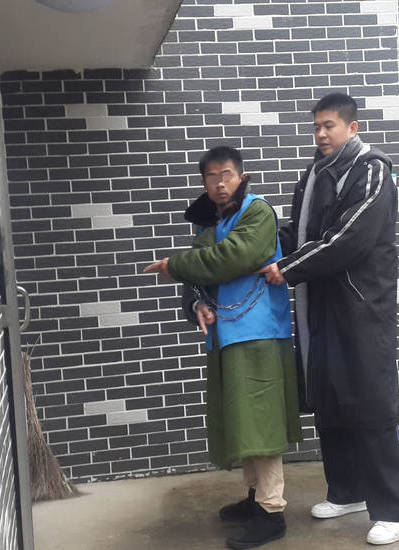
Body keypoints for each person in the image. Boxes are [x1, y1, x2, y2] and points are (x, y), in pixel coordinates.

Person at [257, 93, 399, 545]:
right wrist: (255, 232)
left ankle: (396, 511)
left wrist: (287, 268)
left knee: (371, 405)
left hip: (362, 310)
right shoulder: (314, 174)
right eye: (317, 127)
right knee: (330, 400)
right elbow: (299, 233)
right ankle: (348, 491)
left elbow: (349, 238)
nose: (321, 134)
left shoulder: (372, 171)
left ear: (352, 127)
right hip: (320, 308)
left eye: (329, 126)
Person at [144, 146, 302, 549]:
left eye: (226, 174)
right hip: (228, 334)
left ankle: (272, 512)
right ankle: (255, 497)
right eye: (211, 177)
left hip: (259, 334)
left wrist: (176, 264)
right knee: (242, 419)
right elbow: (199, 274)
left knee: (261, 421)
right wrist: (197, 303)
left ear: (241, 177)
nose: (219, 183)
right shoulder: (214, 221)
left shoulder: (257, 211)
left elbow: (232, 258)